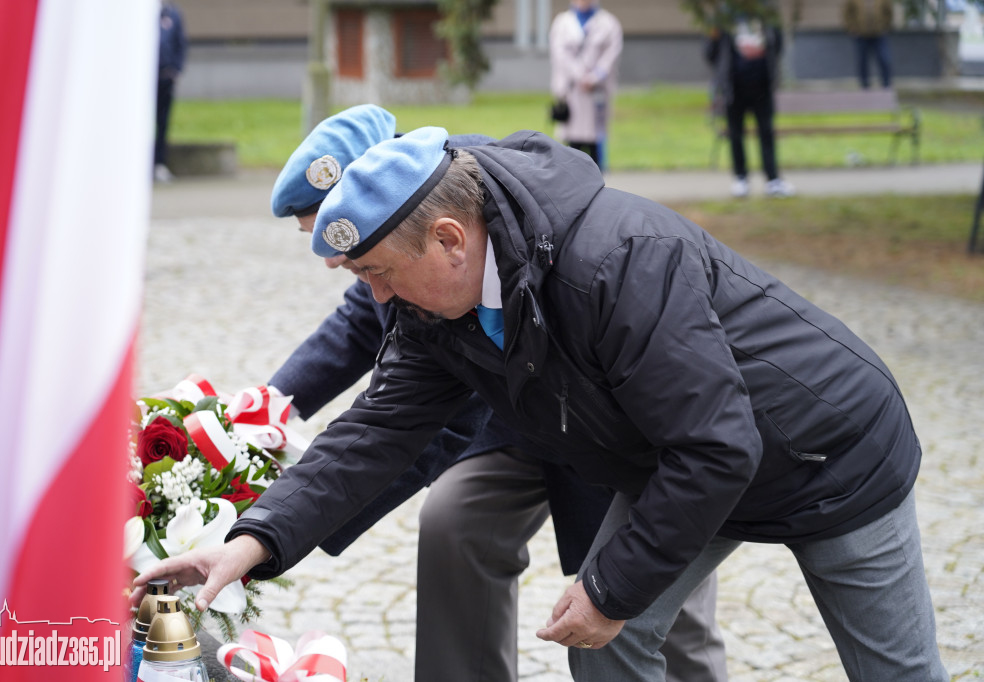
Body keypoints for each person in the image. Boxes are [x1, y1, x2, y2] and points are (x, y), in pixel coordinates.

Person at [136, 126, 949, 680]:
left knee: (895, 671)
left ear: (451, 239)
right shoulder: (433, 306)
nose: (374, 296)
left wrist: (609, 589)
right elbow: (379, 430)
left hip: (827, 459)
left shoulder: (617, 262)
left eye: (376, 272)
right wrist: (252, 541)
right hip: (681, 459)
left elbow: (719, 445)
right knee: (605, 642)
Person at [233, 105, 729, 682]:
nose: (333, 256)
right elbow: (360, 338)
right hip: (512, 423)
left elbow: (424, 410)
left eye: (336, 231)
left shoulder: (471, 204)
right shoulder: (388, 251)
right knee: (454, 523)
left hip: (611, 423)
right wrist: (262, 412)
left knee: (660, 594)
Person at [705, 8, 795, 198]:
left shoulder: (766, 15)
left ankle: (773, 179)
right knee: (736, 135)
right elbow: (710, 53)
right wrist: (715, 36)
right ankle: (741, 178)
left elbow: (777, 45)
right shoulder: (724, 18)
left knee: (766, 132)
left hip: (762, 87)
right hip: (734, 88)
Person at [549, 0, 622, 171]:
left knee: (595, 139)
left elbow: (612, 53)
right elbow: (559, 54)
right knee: (572, 145)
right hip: (572, 91)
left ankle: (598, 180)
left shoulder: (609, 23)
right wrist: (580, 75)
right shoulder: (562, 23)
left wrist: (595, 77)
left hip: (596, 92)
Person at [154, 1, 187, 183]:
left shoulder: (172, 13)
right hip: (146, 79)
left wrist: (176, 70)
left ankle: (159, 163)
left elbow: (180, 43)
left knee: (162, 123)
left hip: (166, 77)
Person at [842, 0, 894, 90]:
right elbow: (847, 13)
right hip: (861, 35)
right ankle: (865, 87)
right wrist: (852, 28)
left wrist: (885, 27)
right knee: (862, 61)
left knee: (884, 59)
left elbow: (889, 12)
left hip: (879, 35)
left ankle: (886, 85)